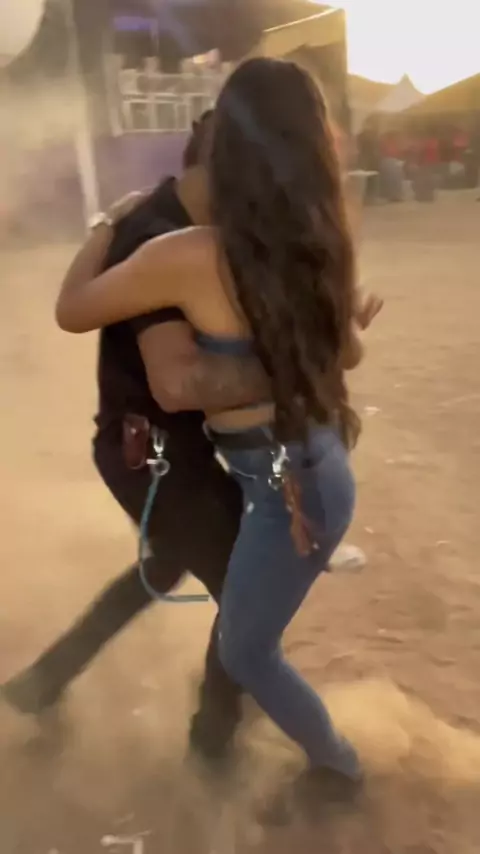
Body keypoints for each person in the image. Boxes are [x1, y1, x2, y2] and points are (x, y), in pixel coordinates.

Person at [55, 57, 382, 804]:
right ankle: (256, 742)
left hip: (287, 486)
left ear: (222, 142)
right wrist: (320, 344)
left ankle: (336, 768)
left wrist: (108, 223)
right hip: (313, 470)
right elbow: (348, 356)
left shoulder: (186, 254)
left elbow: (72, 309)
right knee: (240, 633)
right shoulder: (323, 239)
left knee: (247, 649)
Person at [1, 112, 270, 764]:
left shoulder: (178, 222)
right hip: (150, 454)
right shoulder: (156, 237)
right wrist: (296, 370)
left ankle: (43, 682)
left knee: (170, 563)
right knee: (250, 589)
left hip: (165, 446)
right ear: (221, 164)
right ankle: (214, 740)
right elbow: (177, 385)